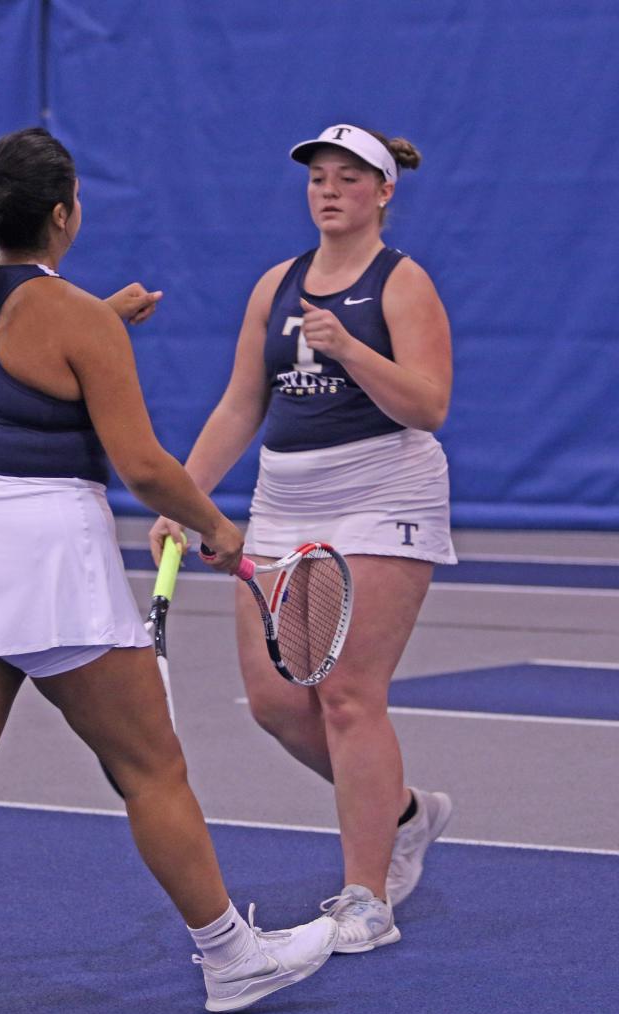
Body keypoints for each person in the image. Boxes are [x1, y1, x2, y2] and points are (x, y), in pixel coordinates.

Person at [0, 127, 338, 1014]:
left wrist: (99, 320)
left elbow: (15, 364)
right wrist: (218, 528)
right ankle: (232, 960)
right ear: (62, 214)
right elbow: (146, 466)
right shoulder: (77, 321)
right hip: (44, 559)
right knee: (152, 767)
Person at [151, 123, 456, 954]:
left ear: (383, 193)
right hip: (287, 495)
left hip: (383, 488)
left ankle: (367, 895)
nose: (328, 190)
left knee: (350, 693)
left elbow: (428, 406)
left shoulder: (403, 283)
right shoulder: (276, 285)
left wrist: (349, 348)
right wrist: (184, 494)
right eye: (318, 177)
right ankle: (400, 812)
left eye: (349, 179)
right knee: (280, 704)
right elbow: (240, 405)